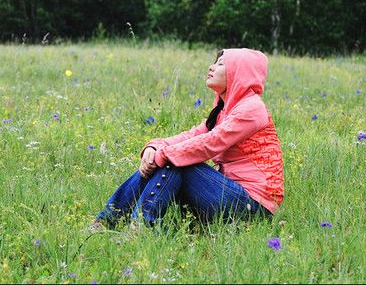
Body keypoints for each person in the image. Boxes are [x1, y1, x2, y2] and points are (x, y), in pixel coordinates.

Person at [91, 48, 284, 230]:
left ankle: (138, 225)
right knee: (175, 157)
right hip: (229, 193)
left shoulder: (251, 109)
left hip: (253, 207)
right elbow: (193, 135)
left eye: (221, 64)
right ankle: (107, 222)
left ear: (239, 73)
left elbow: (211, 143)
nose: (211, 67)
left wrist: (163, 156)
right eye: (214, 63)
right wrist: (155, 147)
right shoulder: (225, 110)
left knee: (178, 161)